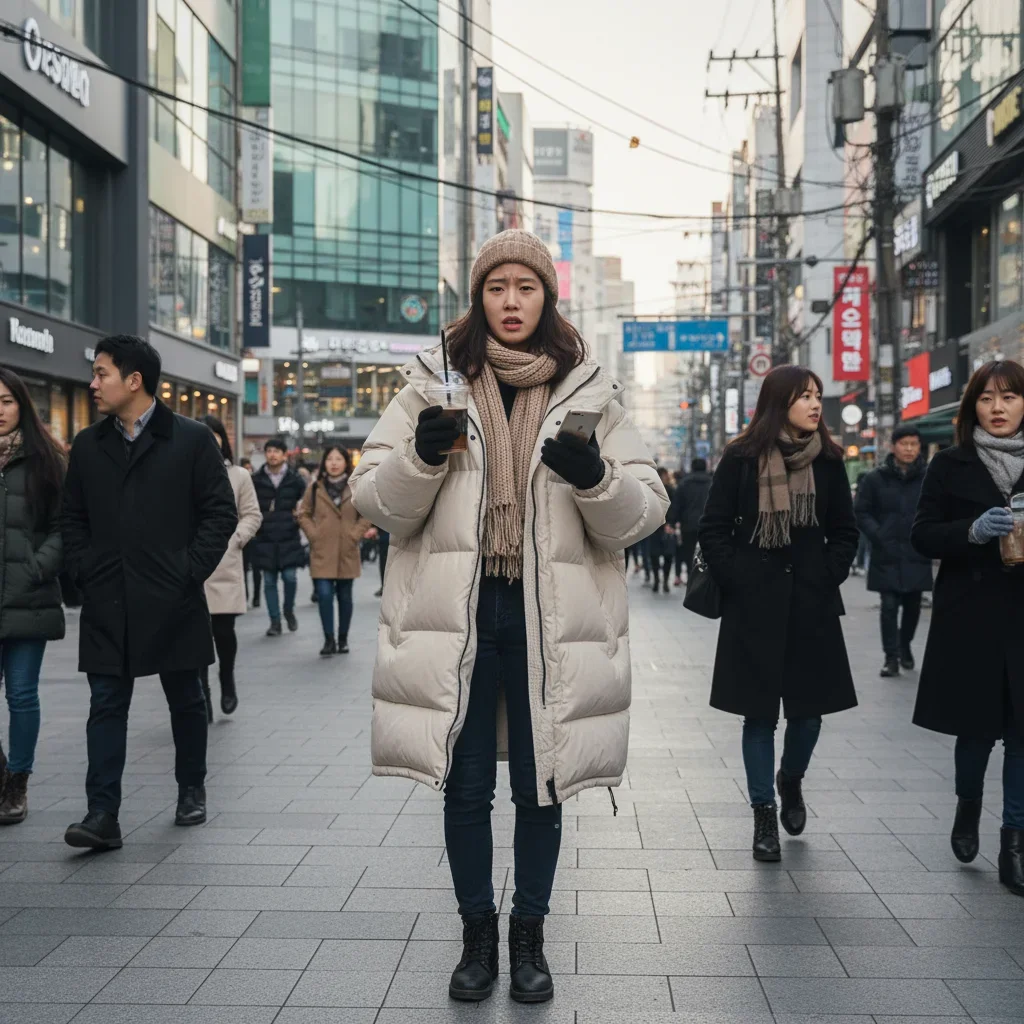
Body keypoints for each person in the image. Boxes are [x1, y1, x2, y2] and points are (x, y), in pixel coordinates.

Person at [351, 230, 667, 1004]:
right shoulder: (431, 384)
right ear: (479, 297)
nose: (512, 302)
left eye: (526, 287)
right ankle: (476, 940)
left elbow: (645, 508)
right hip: (457, 613)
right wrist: (420, 459)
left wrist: (596, 480)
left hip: (549, 615)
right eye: (498, 288)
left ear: (547, 297)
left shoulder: (590, 390)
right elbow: (372, 500)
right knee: (464, 791)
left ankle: (530, 936)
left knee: (541, 785)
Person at [61, 335, 236, 850]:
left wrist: (187, 571)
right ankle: (102, 814)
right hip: (107, 597)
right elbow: (73, 517)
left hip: (173, 596)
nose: (93, 384)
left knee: (186, 698)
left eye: (101, 373)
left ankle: (190, 789)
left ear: (133, 380)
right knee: (106, 703)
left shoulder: (191, 438)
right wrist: (84, 569)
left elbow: (219, 513)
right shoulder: (89, 445)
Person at [698, 365, 859, 863]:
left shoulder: (830, 460)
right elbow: (714, 527)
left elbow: (845, 531)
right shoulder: (741, 458)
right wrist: (740, 578)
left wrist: (825, 573)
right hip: (755, 606)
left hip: (811, 605)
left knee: (808, 716)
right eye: (804, 396)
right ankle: (763, 814)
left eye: (818, 395)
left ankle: (790, 778)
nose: (815, 404)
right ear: (777, 402)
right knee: (758, 717)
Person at [910, 360, 1024, 897]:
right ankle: (968, 807)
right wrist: (973, 531)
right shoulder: (949, 464)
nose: (998, 408)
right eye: (986, 398)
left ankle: (1014, 840)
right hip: (972, 615)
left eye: (1009, 397)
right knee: (976, 730)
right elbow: (924, 534)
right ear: (972, 406)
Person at [0, 368, 66, 825]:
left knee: (22, 695)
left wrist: (36, 567)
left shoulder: (47, 460)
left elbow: (65, 527)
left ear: (21, 404)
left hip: (28, 595)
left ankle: (17, 783)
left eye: (4, 401)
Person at [854, 424, 933, 677]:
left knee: (912, 607)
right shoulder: (875, 478)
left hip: (915, 551)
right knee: (888, 606)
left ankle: (905, 645)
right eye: (904, 444)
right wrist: (878, 534)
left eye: (914, 444)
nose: (909, 449)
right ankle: (891, 657)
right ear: (893, 446)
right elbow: (861, 511)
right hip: (886, 552)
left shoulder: (929, 477)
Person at [198, 415, 262, 719]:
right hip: (190, 565)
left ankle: (226, 678)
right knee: (195, 635)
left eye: (214, 435)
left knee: (223, 631)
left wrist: (236, 538)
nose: (211, 440)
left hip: (224, 562)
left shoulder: (238, 475)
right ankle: (202, 692)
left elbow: (252, 514)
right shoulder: (181, 472)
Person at [297, 445, 371, 656]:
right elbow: (303, 513)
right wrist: (314, 534)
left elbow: (367, 513)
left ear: (346, 462)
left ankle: (343, 638)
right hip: (322, 549)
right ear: (324, 462)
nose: (334, 463)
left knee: (345, 597)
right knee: (324, 594)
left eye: (338, 459)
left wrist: (355, 534)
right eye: (330, 459)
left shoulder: (355, 486)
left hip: (347, 549)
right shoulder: (314, 487)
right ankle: (329, 639)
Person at [249, 439, 307, 636]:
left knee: (290, 577)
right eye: (269, 451)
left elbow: (306, 502)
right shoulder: (256, 480)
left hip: (288, 536)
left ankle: (288, 610)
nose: (272, 454)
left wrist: (300, 515)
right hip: (265, 537)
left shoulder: (295, 479)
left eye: (276, 451)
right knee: (269, 581)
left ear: (284, 455)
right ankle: (274, 621)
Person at [670, 457, 713, 583]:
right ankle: (706, 578)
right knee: (708, 551)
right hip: (708, 524)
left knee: (688, 552)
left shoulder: (684, 483)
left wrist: (672, 522)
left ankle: (691, 577)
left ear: (692, 468)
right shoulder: (712, 483)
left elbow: (677, 504)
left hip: (687, 524)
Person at [646, 467, 677, 593]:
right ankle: (658, 579)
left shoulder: (670, 490)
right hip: (656, 527)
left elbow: (675, 508)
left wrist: (671, 523)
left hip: (663, 527)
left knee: (667, 555)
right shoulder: (650, 490)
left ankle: (663, 580)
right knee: (655, 555)